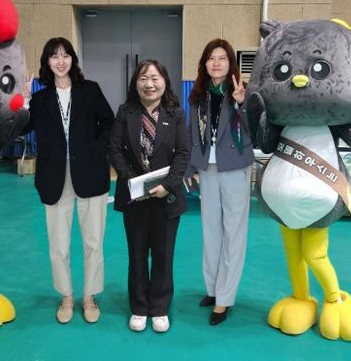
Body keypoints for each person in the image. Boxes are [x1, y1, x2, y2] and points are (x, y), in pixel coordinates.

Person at [22, 37, 114, 324]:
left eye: (65, 55)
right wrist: (22, 99)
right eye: (54, 56)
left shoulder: (90, 90)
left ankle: (89, 296)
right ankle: (66, 296)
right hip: (54, 176)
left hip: (90, 173)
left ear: (73, 59)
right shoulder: (40, 100)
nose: (60, 61)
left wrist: (93, 151)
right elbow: (21, 127)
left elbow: (108, 123)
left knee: (93, 242)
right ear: (47, 62)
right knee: (58, 245)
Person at [108, 59, 188, 333]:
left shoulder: (175, 114)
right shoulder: (125, 112)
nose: (149, 84)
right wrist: (133, 182)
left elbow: (183, 153)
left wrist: (169, 185)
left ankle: (160, 308)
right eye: (143, 78)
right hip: (135, 198)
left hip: (167, 197)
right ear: (136, 83)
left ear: (164, 82)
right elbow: (114, 149)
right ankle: (140, 307)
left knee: (164, 255)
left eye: (155, 78)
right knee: (137, 254)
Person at [185, 39, 255, 325]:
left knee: (233, 234)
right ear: (204, 63)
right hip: (208, 169)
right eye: (211, 58)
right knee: (210, 230)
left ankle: (225, 298)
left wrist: (242, 103)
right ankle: (213, 288)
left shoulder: (242, 93)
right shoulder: (197, 97)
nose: (216, 63)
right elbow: (192, 134)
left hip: (235, 167)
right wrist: (190, 168)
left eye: (222, 58)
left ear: (230, 63)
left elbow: (255, 129)